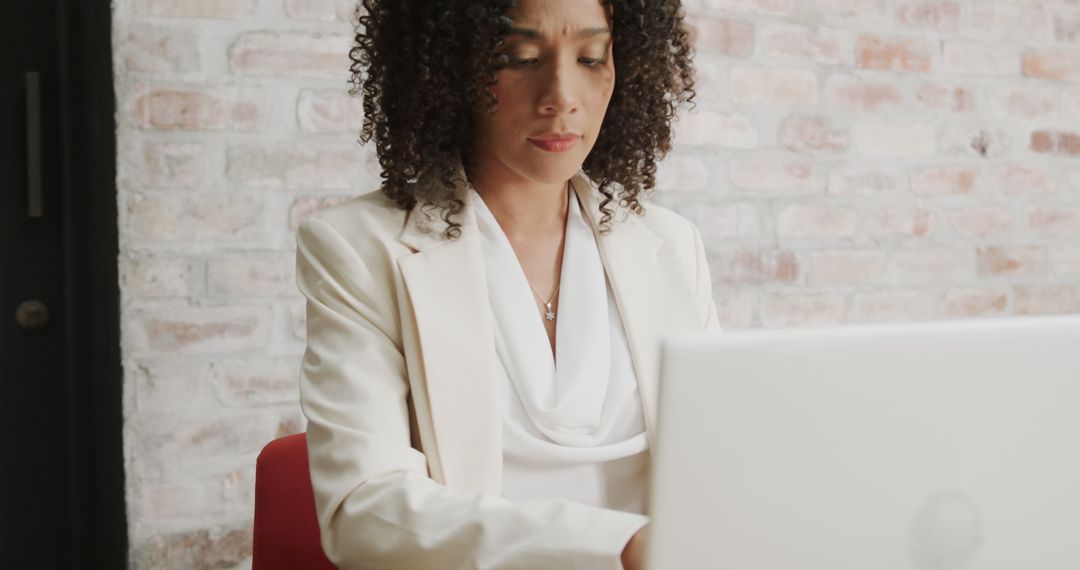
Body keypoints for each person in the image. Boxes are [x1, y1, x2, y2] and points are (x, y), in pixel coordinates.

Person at [294, 0, 718, 567]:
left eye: (592, 58)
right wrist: (619, 547)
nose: (562, 95)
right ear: (450, 67)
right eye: (519, 58)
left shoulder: (674, 246)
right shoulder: (358, 249)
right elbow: (364, 512)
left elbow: (725, 464)